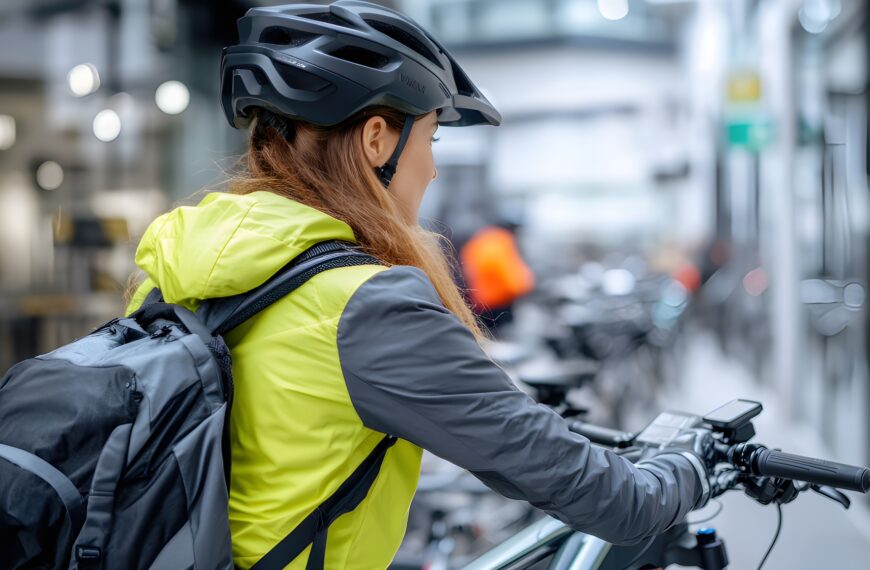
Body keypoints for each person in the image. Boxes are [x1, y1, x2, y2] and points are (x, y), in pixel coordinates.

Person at [125, 2, 711, 568]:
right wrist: (690, 464)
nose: (431, 168)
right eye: (431, 138)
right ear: (376, 138)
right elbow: (618, 502)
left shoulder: (176, 267)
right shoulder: (364, 304)